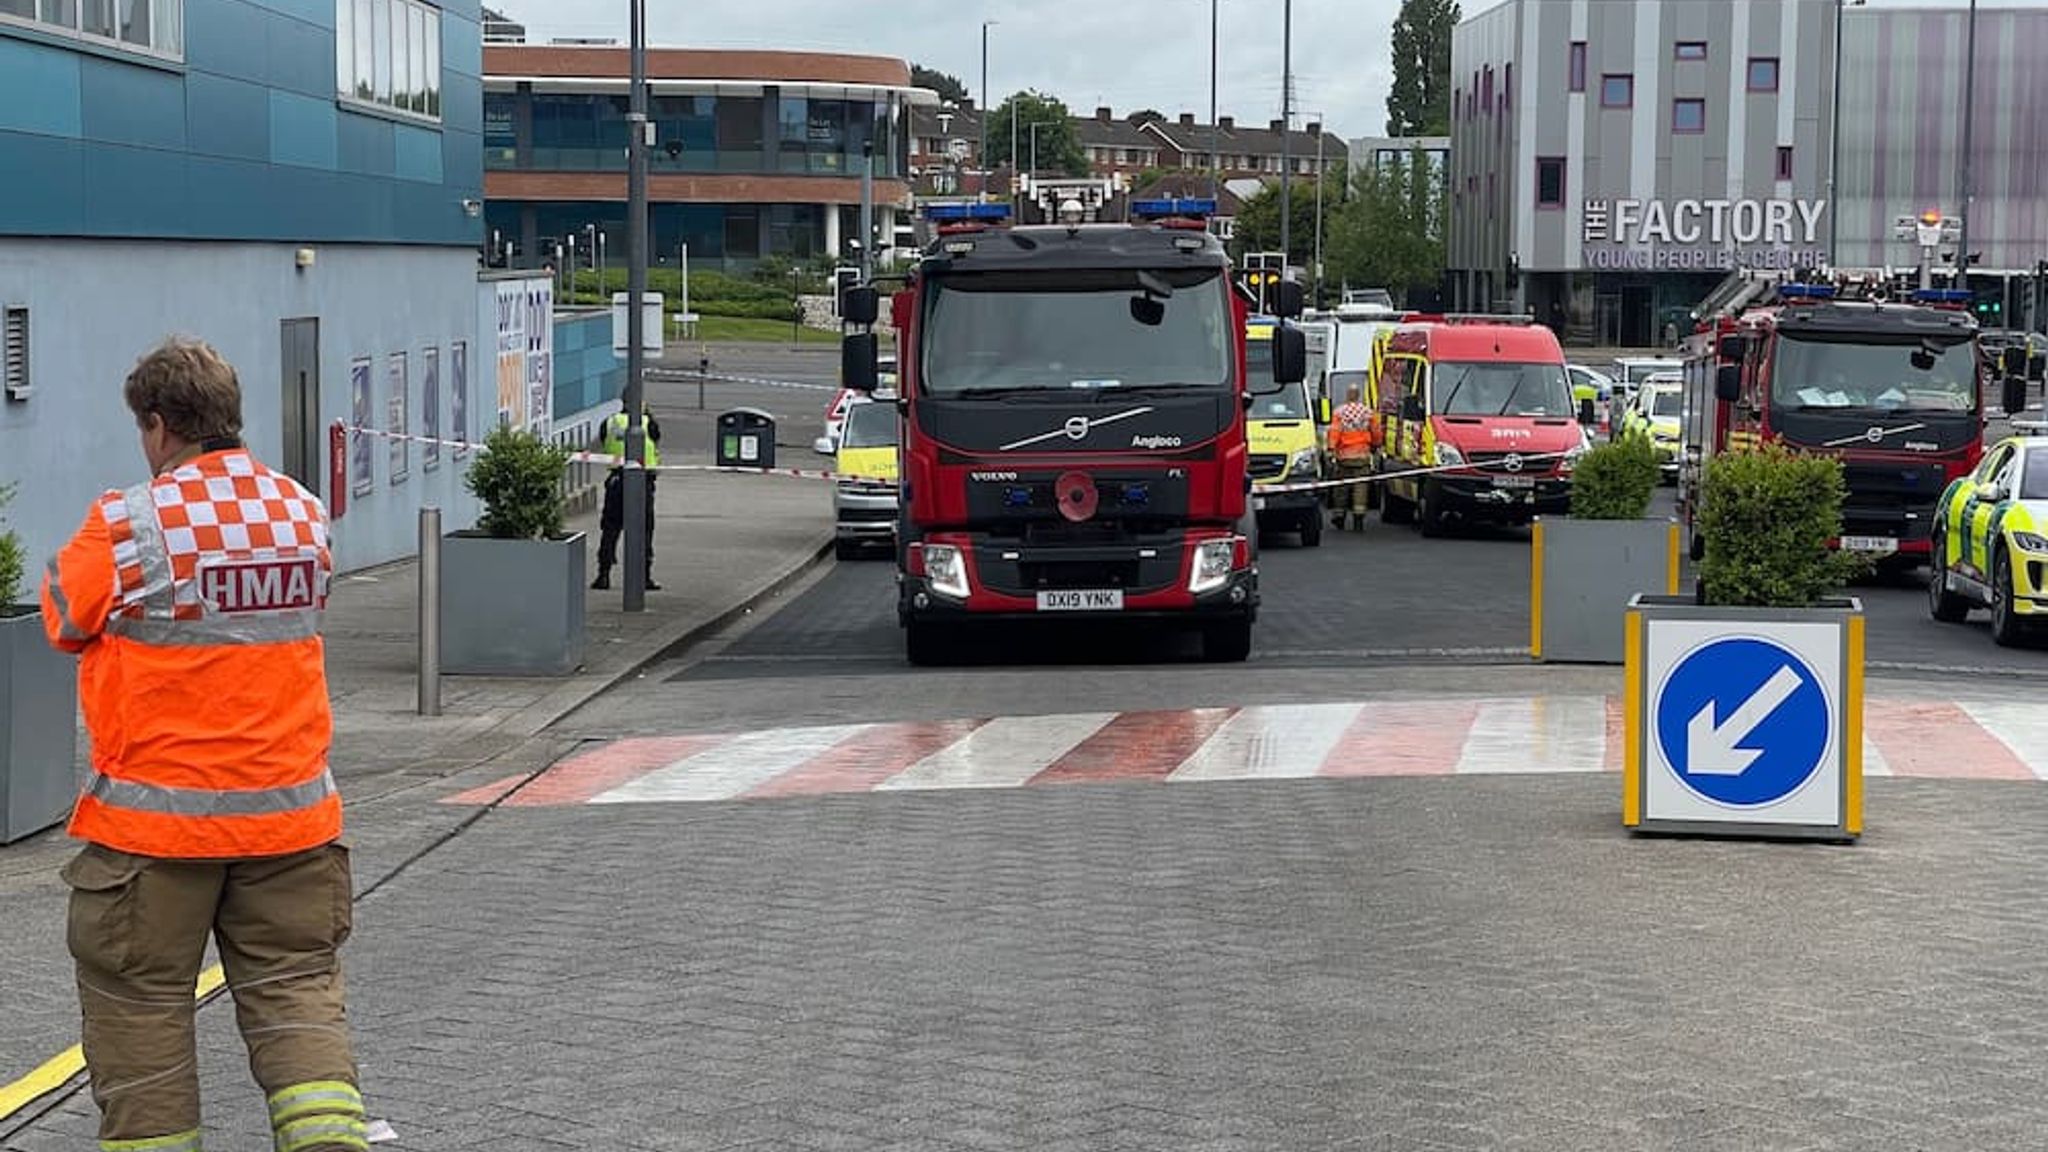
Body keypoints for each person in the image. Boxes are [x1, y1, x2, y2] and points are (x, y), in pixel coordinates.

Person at [40, 338, 368, 1152]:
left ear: (158, 426)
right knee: (297, 1000)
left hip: (154, 839)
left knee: (142, 1016)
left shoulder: (127, 522)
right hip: (292, 827)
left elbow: (63, 619)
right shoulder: (301, 512)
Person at [591, 403, 663, 591]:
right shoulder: (648, 423)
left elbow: (604, 440)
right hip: (642, 482)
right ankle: (644, 577)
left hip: (616, 480)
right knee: (644, 530)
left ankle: (603, 575)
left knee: (610, 529)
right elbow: (656, 440)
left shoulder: (610, 422)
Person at [1326, 383, 1376, 531]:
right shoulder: (1368, 412)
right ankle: (1358, 519)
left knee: (1341, 488)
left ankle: (1339, 517)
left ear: (1348, 395)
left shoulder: (1340, 412)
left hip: (1344, 458)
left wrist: (1331, 449)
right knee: (1360, 488)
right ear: (1358, 395)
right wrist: (1375, 445)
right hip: (1362, 457)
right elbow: (1376, 431)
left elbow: (1334, 432)